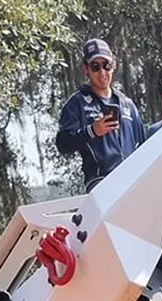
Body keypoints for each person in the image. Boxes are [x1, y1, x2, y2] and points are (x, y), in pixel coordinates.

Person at [55, 37, 146, 191]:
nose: (102, 72)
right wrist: (92, 131)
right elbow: (63, 144)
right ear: (86, 68)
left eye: (106, 65)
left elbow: (144, 146)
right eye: (95, 67)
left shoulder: (127, 104)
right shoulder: (76, 103)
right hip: (100, 182)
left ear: (114, 64)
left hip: (132, 182)